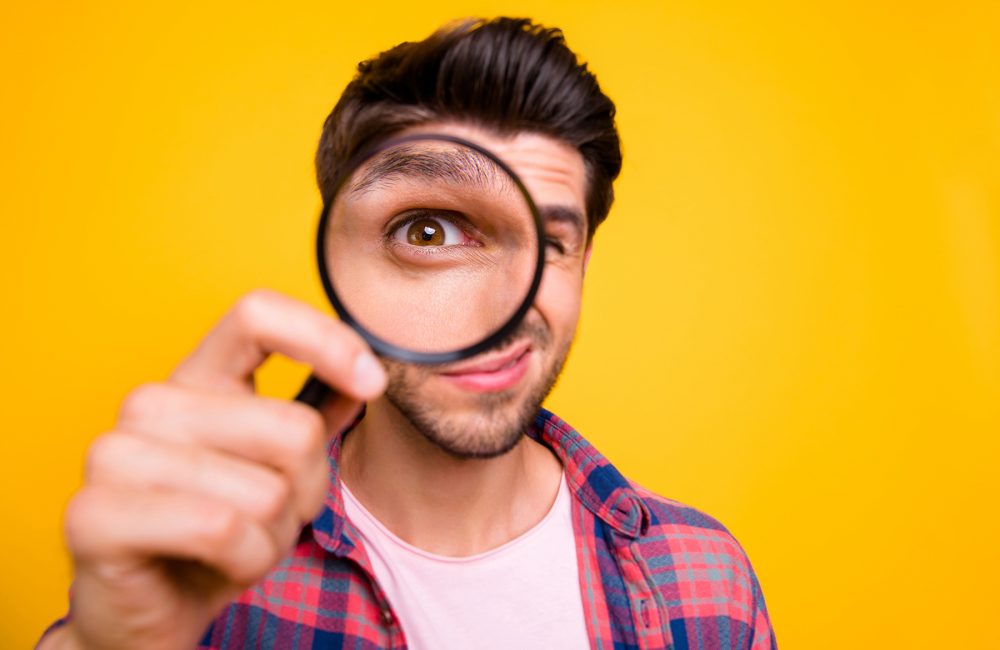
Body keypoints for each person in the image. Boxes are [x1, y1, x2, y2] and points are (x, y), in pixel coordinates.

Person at [39, 17, 776, 650]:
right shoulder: (209, 563)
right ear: (337, 253)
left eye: (551, 242)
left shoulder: (704, 582)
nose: (503, 310)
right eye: (427, 231)